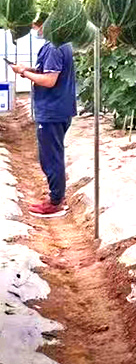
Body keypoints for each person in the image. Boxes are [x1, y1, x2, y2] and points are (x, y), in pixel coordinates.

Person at [11, 14, 77, 218]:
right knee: (51, 154)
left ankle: (56, 202)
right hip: (57, 109)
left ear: (47, 25)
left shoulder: (55, 47)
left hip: (53, 111)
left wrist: (25, 73)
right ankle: (56, 198)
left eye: (37, 27)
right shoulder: (58, 45)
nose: (35, 31)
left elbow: (49, 80)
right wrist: (25, 70)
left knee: (51, 157)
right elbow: (45, 71)